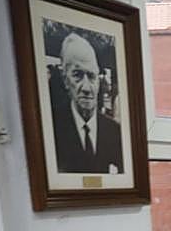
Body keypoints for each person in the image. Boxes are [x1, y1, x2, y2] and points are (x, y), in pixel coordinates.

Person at [50, 32, 124, 175]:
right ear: (65, 79)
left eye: (91, 76)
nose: (86, 88)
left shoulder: (115, 132)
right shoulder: (52, 127)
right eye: (77, 75)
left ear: (98, 81)